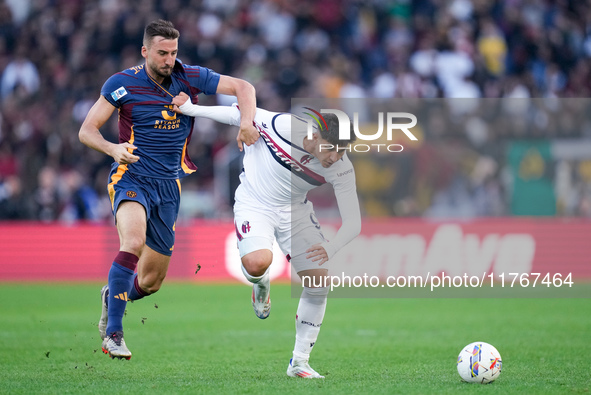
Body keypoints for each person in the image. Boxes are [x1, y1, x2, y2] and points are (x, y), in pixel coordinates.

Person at [78, 19, 258, 360]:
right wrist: (114, 150)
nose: (168, 60)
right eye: (162, 53)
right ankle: (114, 334)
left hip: (169, 185)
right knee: (132, 242)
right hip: (131, 176)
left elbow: (244, 88)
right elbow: (87, 131)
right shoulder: (122, 84)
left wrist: (246, 124)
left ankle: (113, 296)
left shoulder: (190, 76)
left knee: (150, 282)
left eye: (173, 53)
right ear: (145, 51)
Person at [172, 92, 361, 378]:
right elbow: (239, 114)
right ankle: (261, 287)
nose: (336, 157)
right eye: (333, 148)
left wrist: (332, 248)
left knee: (319, 281)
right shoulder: (285, 127)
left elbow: (354, 221)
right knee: (258, 263)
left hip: (295, 212)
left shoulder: (341, 168)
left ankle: (300, 362)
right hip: (255, 202)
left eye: (343, 151)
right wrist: (190, 108)